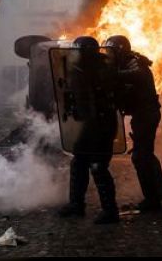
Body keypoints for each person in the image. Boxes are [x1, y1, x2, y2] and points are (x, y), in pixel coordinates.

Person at [104, 35, 162, 212]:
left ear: (120, 50)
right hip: (141, 115)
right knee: (146, 154)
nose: (109, 56)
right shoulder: (125, 63)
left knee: (141, 157)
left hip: (146, 115)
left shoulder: (136, 63)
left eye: (112, 52)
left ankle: (152, 199)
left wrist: (110, 75)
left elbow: (136, 75)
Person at [57, 36, 120, 225]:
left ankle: (110, 211)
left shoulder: (104, 70)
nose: (74, 55)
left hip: (102, 124)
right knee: (79, 161)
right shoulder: (79, 70)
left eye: (77, 51)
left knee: (98, 166)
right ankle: (76, 204)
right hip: (90, 123)